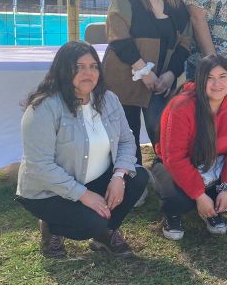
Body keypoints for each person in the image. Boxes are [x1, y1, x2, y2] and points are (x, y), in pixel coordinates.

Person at [16, 41, 148, 258]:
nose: (89, 73)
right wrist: (84, 195)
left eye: (94, 66)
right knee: (90, 224)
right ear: (63, 69)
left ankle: (105, 233)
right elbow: (39, 166)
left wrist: (118, 176)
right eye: (79, 66)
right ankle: (52, 226)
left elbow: (127, 140)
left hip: (93, 179)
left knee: (138, 176)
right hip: (50, 191)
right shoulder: (43, 107)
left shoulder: (109, 99)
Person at [103, 0, 192, 166]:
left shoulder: (176, 4)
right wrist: (143, 71)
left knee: (161, 129)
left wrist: (171, 74)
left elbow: (185, 43)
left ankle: (167, 178)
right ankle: (131, 178)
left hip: (160, 81)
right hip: (125, 79)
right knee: (127, 132)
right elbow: (118, 38)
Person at [152, 55, 227, 240]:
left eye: (223, 76)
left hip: (213, 163)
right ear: (200, 80)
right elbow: (174, 157)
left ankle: (213, 211)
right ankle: (173, 213)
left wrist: (226, 189)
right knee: (178, 199)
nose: (217, 84)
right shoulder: (182, 106)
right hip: (175, 163)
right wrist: (198, 194)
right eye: (209, 78)